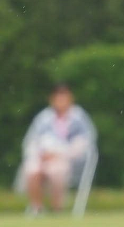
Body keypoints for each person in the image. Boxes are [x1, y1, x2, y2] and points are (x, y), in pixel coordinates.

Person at [17, 83, 96, 216]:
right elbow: (31, 141)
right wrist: (40, 155)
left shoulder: (78, 118)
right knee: (32, 168)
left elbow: (85, 143)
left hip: (68, 161)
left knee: (56, 170)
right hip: (42, 157)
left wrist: (60, 154)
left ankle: (57, 209)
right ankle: (37, 207)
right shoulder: (44, 118)